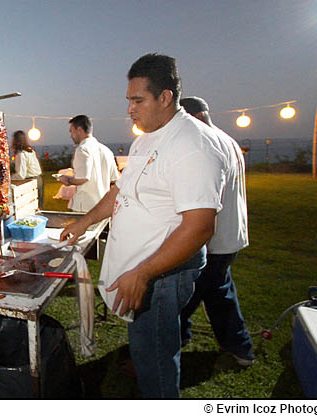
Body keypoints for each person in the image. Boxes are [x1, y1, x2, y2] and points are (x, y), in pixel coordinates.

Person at [60, 53, 226, 398]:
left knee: (156, 360)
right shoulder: (146, 138)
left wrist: (143, 273)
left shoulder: (193, 145)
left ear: (165, 97)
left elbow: (199, 227)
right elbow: (120, 190)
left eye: (138, 100)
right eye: (129, 101)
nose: (130, 110)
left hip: (164, 275)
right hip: (144, 268)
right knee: (145, 348)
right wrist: (84, 223)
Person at [178, 96, 255, 366]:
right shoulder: (228, 140)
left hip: (213, 239)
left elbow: (207, 200)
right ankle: (239, 348)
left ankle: (169, 345)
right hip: (229, 236)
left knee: (185, 295)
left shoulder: (206, 143)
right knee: (218, 292)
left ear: (196, 117)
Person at [58, 115, 120, 212]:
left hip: (86, 206)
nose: (71, 136)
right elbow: (114, 179)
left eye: (71, 131)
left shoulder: (82, 149)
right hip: (103, 205)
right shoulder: (106, 150)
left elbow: (83, 178)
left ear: (79, 130)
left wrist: (67, 180)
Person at [10, 130, 44, 207]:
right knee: (39, 207)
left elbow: (21, 175)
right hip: (38, 180)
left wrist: (9, 179)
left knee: (31, 208)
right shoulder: (30, 151)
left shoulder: (21, 154)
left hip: (31, 181)